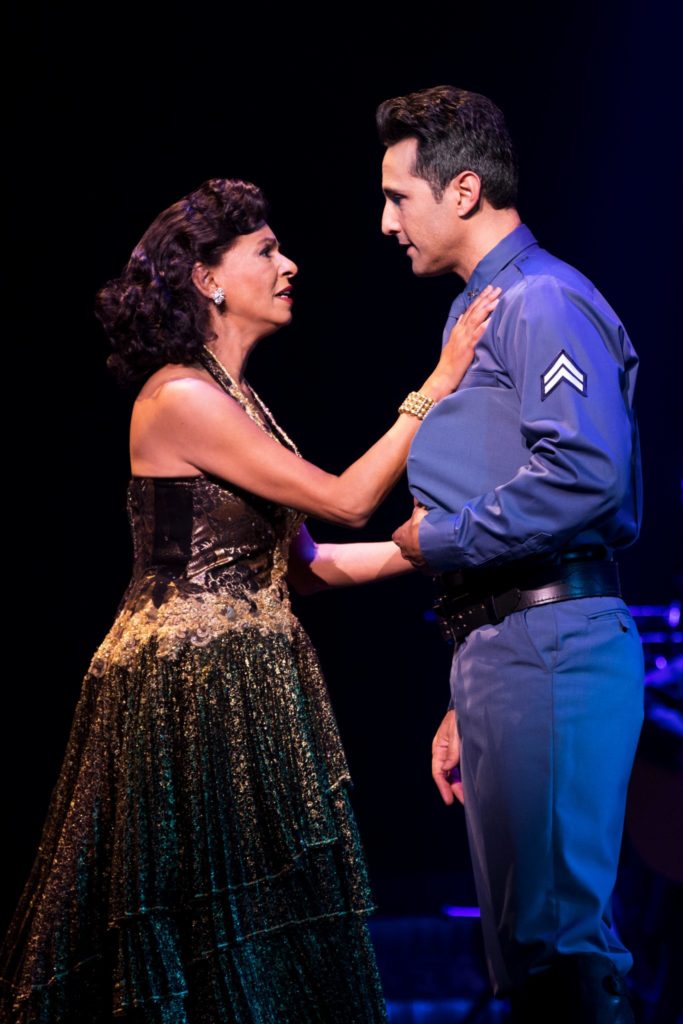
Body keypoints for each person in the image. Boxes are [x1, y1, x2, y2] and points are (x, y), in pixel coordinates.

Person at [0, 177, 498, 1024]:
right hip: (185, 687)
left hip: (243, 675)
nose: (289, 264)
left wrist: (434, 546)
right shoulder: (181, 397)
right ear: (208, 278)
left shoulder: (237, 400)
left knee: (261, 924)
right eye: (266, 251)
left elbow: (300, 566)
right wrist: (437, 383)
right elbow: (343, 500)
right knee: (206, 921)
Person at [381, 87, 644, 1022]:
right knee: (520, 956)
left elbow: (585, 475)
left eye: (397, 198)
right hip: (505, 649)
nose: (386, 223)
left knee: (558, 947)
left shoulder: (542, 302)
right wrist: (466, 684)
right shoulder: (478, 314)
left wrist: (440, 540)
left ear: (459, 191)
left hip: (552, 645)